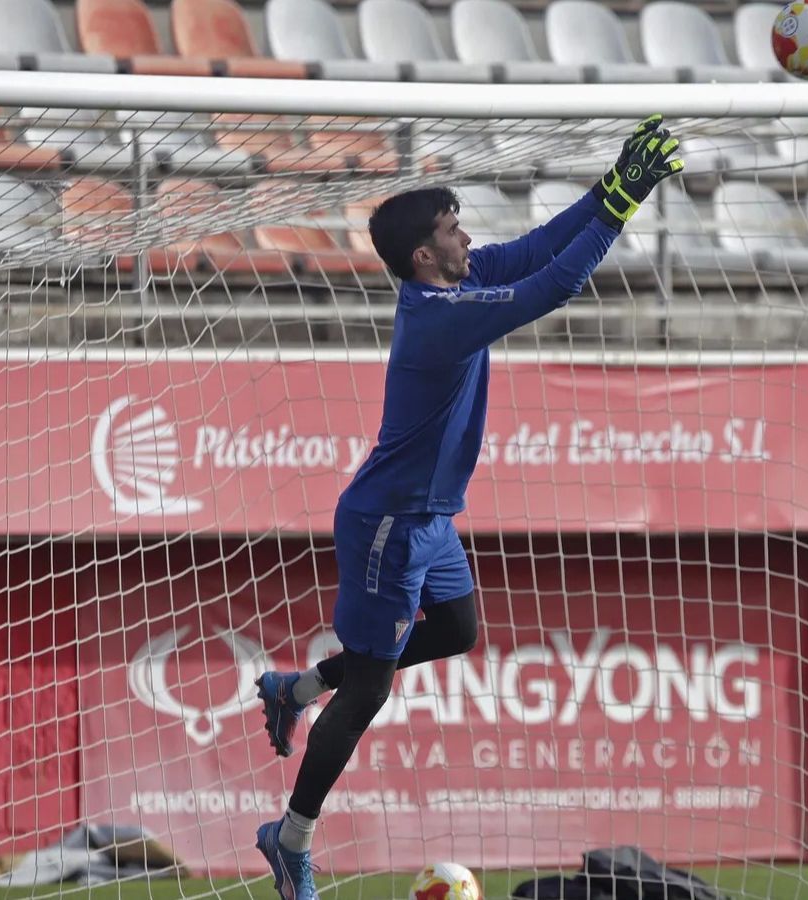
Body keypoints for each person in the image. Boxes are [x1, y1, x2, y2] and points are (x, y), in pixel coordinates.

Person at [252, 115, 684, 900]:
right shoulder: (442, 316)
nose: (467, 235)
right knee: (371, 692)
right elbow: (559, 283)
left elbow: (541, 248)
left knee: (455, 630)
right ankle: (290, 838)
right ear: (425, 255)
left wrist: (605, 191)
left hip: (428, 518)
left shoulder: (463, 278)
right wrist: (621, 209)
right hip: (389, 523)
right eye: (454, 228)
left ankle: (296, 689)